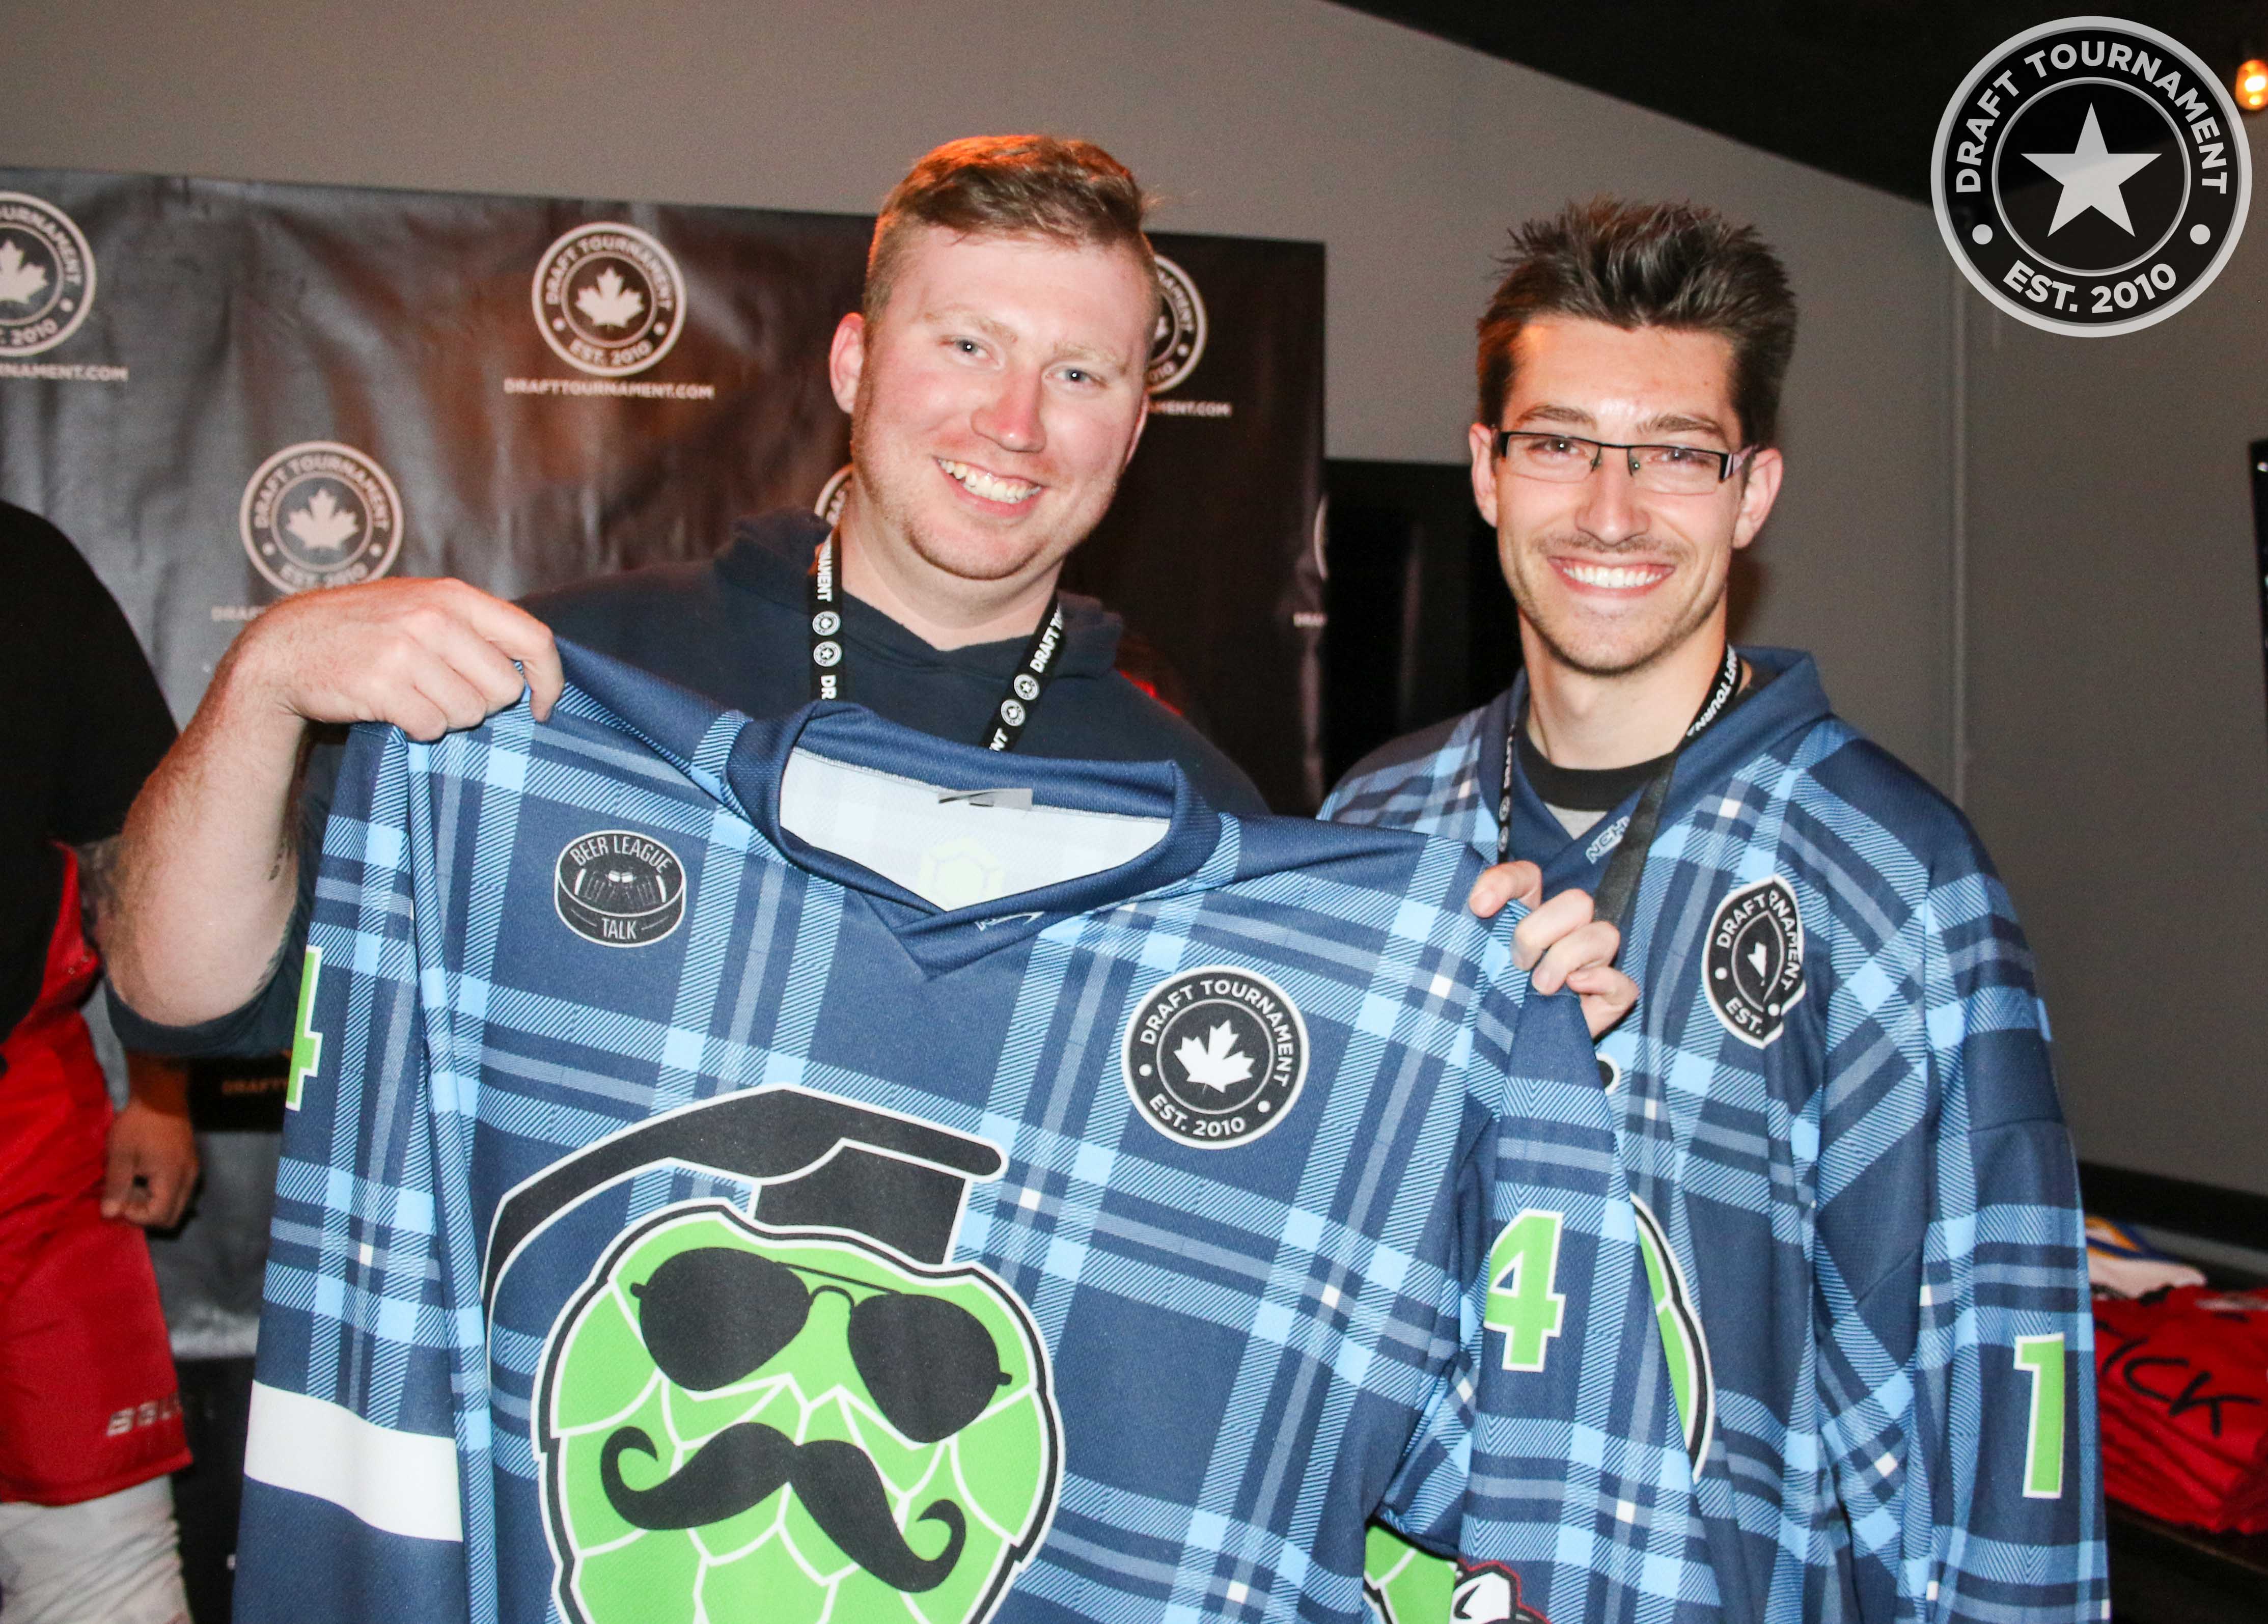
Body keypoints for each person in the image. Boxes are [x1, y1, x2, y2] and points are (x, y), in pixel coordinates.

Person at [105, 132, 1629, 1065]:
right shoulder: (566, 680)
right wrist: (267, 679)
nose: (1014, 423)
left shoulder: (1192, 808)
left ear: (1134, 426)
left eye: (1079, 373)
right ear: (852, 364)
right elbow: (182, 997)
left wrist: (1500, 1007)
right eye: (966, 346)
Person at [1326, 200, 2104, 1621]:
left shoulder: (1891, 871)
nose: (1610, 510)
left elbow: (2002, 1389)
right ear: (1487, 470)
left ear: (1751, 494)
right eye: (1558, 443)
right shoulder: (1372, 823)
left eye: (1677, 454)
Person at [0, 501, 198, 1624]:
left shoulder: (22, 564)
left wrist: (162, 1087)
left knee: (105, 1565)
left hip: (26, 1132)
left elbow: (139, 837)